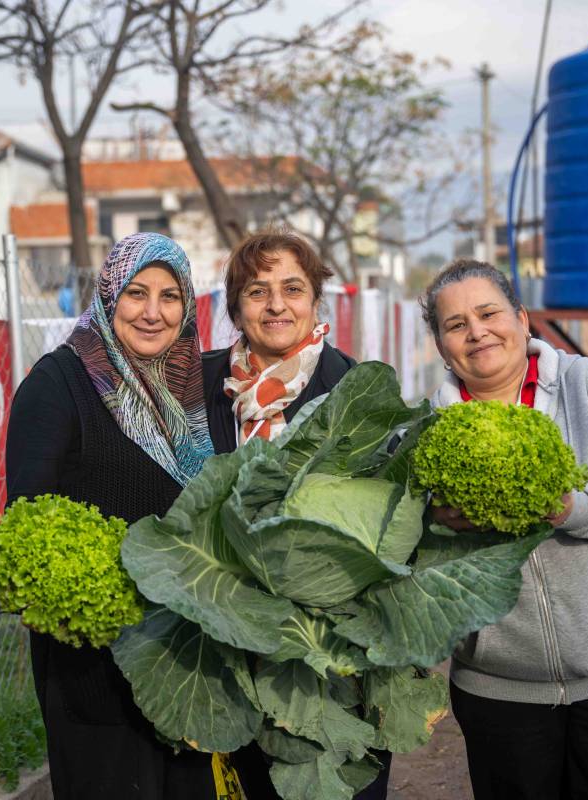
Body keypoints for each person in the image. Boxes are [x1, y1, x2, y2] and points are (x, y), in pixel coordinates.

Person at [421, 259, 588, 799]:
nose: (477, 332)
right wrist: (438, 523)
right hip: (502, 689)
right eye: (456, 324)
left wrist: (569, 507)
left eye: (488, 313)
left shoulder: (586, 385)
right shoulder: (428, 428)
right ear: (440, 344)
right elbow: (411, 553)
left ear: (522, 319)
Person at [5, 232, 217, 800]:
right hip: (97, 676)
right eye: (136, 293)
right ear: (108, 296)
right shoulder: (60, 384)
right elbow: (27, 530)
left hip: (190, 665)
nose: (153, 313)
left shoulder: (190, 390)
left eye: (170, 296)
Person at [201, 228, 392, 800]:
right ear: (236, 307)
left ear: (315, 300)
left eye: (293, 288)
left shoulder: (356, 388)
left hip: (332, 648)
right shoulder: (200, 387)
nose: (277, 305)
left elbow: (385, 519)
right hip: (224, 634)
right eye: (258, 292)